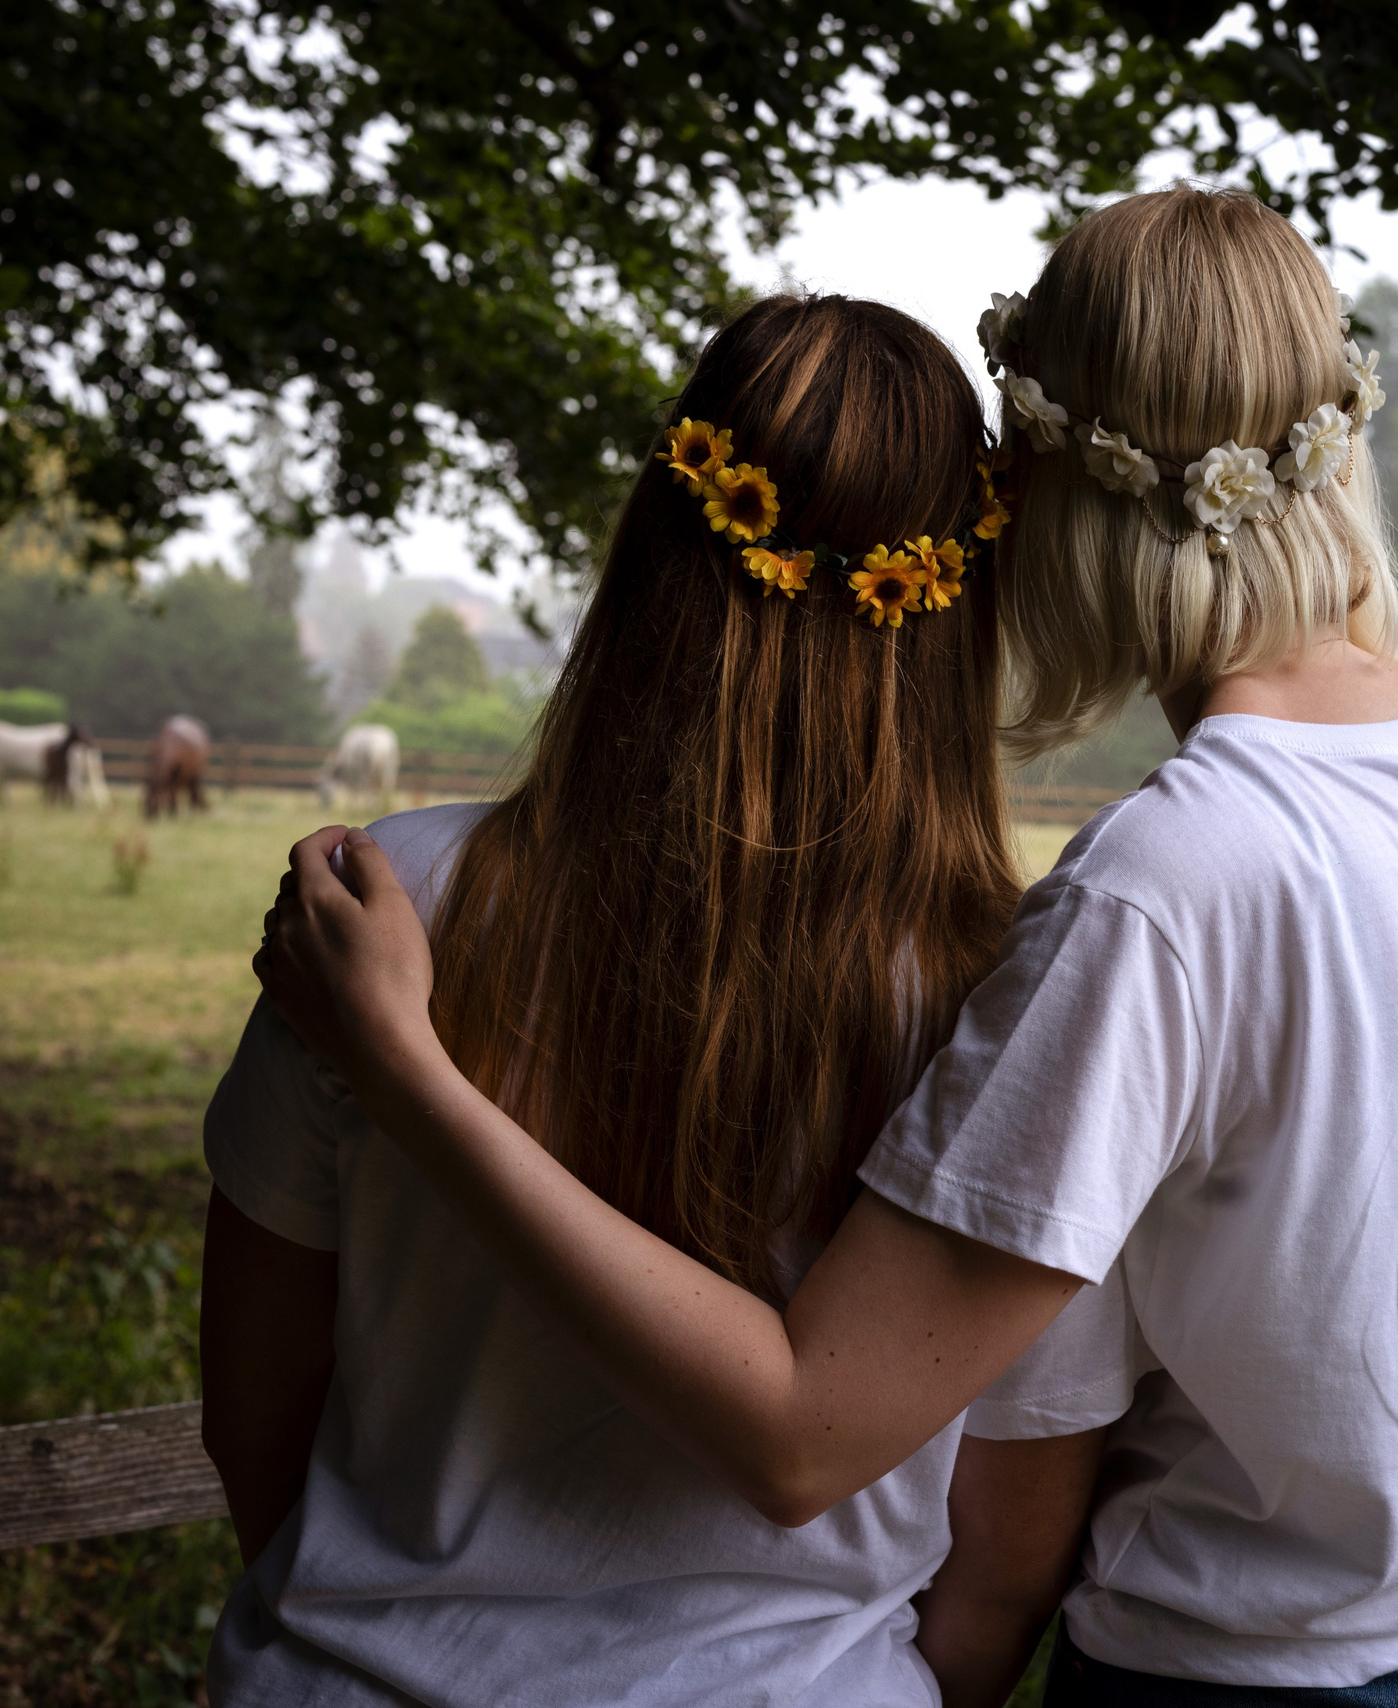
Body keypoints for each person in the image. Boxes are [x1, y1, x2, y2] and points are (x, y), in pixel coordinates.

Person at [259, 186, 1398, 1707]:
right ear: (1339, 441)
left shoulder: (1159, 884)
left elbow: (810, 1428)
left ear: (1052, 500)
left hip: (1276, 1674)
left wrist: (412, 1072)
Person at [197, 293, 1070, 1707]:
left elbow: (255, 1406)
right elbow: (1008, 1545)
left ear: (657, 539)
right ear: (960, 596)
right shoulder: (1015, 990)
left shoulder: (382, 913)